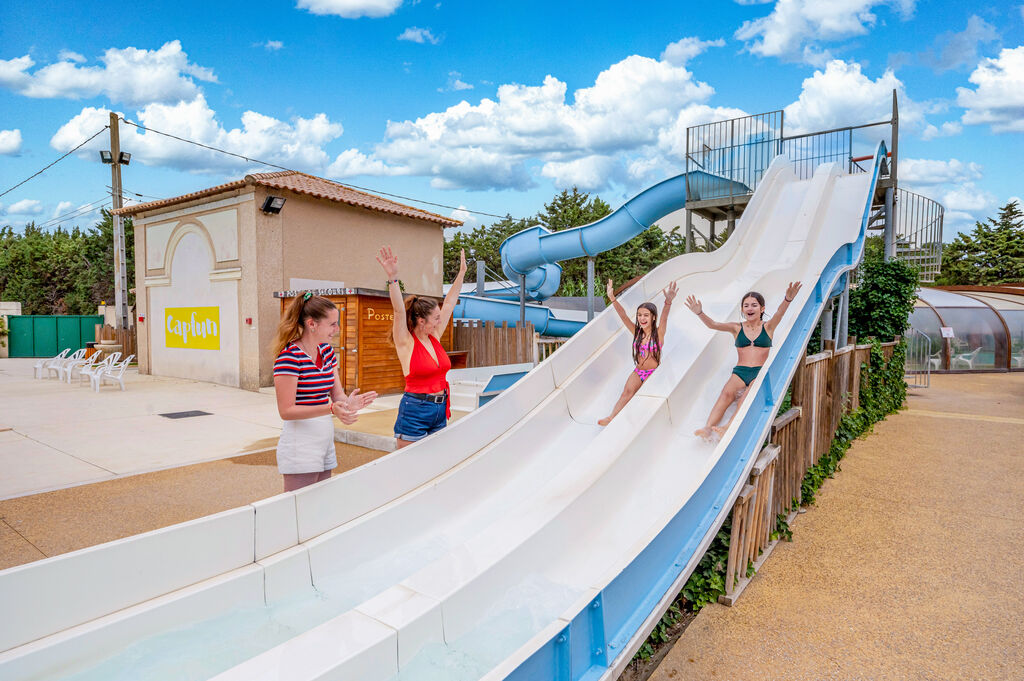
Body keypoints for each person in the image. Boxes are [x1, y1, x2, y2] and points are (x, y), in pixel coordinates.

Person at [272, 292, 377, 492]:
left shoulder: (327, 352)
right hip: (300, 446)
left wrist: (348, 404)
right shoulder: (289, 358)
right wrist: (330, 408)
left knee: (321, 507)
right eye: (332, 324)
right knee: (300, 512)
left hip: (324, 441)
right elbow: (286, 411)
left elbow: (337, 396)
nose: (337, 329)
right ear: (312, 324)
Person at [376, 245, 468, 448]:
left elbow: (451, 302)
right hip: (415, 409)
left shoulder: (434, 335)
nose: (439, 320)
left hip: (439, 409)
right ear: (421, 320)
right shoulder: (405, 342)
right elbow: (399, 311)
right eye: (435, 318)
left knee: (435, 465)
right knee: (410, 467)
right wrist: (392, 278)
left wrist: (461, 273)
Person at [686, 282, 802, 440]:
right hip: (740, 372)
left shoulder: (768, 327)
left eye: (754, 305)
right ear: (742, 309)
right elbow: (713, 324)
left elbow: (779, 314)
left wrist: (787, 299)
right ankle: (707, 428)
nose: (749, 308)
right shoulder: (736, 328)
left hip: (758, 372)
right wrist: (700, 313)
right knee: (726, 394)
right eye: (746, 305)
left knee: (746, 396)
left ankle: (727, 428)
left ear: (762, 309)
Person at [598, 278, 678, 426]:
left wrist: (668, 302)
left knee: (643, 398)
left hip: (653, 372)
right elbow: (623, 315)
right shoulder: (637, 333)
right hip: (638, 371)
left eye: (646, 315)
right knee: (626, 393)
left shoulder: (659, 333)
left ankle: (642, 422)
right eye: (640, 315)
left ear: (653, 317)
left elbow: (665, 317)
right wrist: (612, 298)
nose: (642, 318)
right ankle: (611, 417)